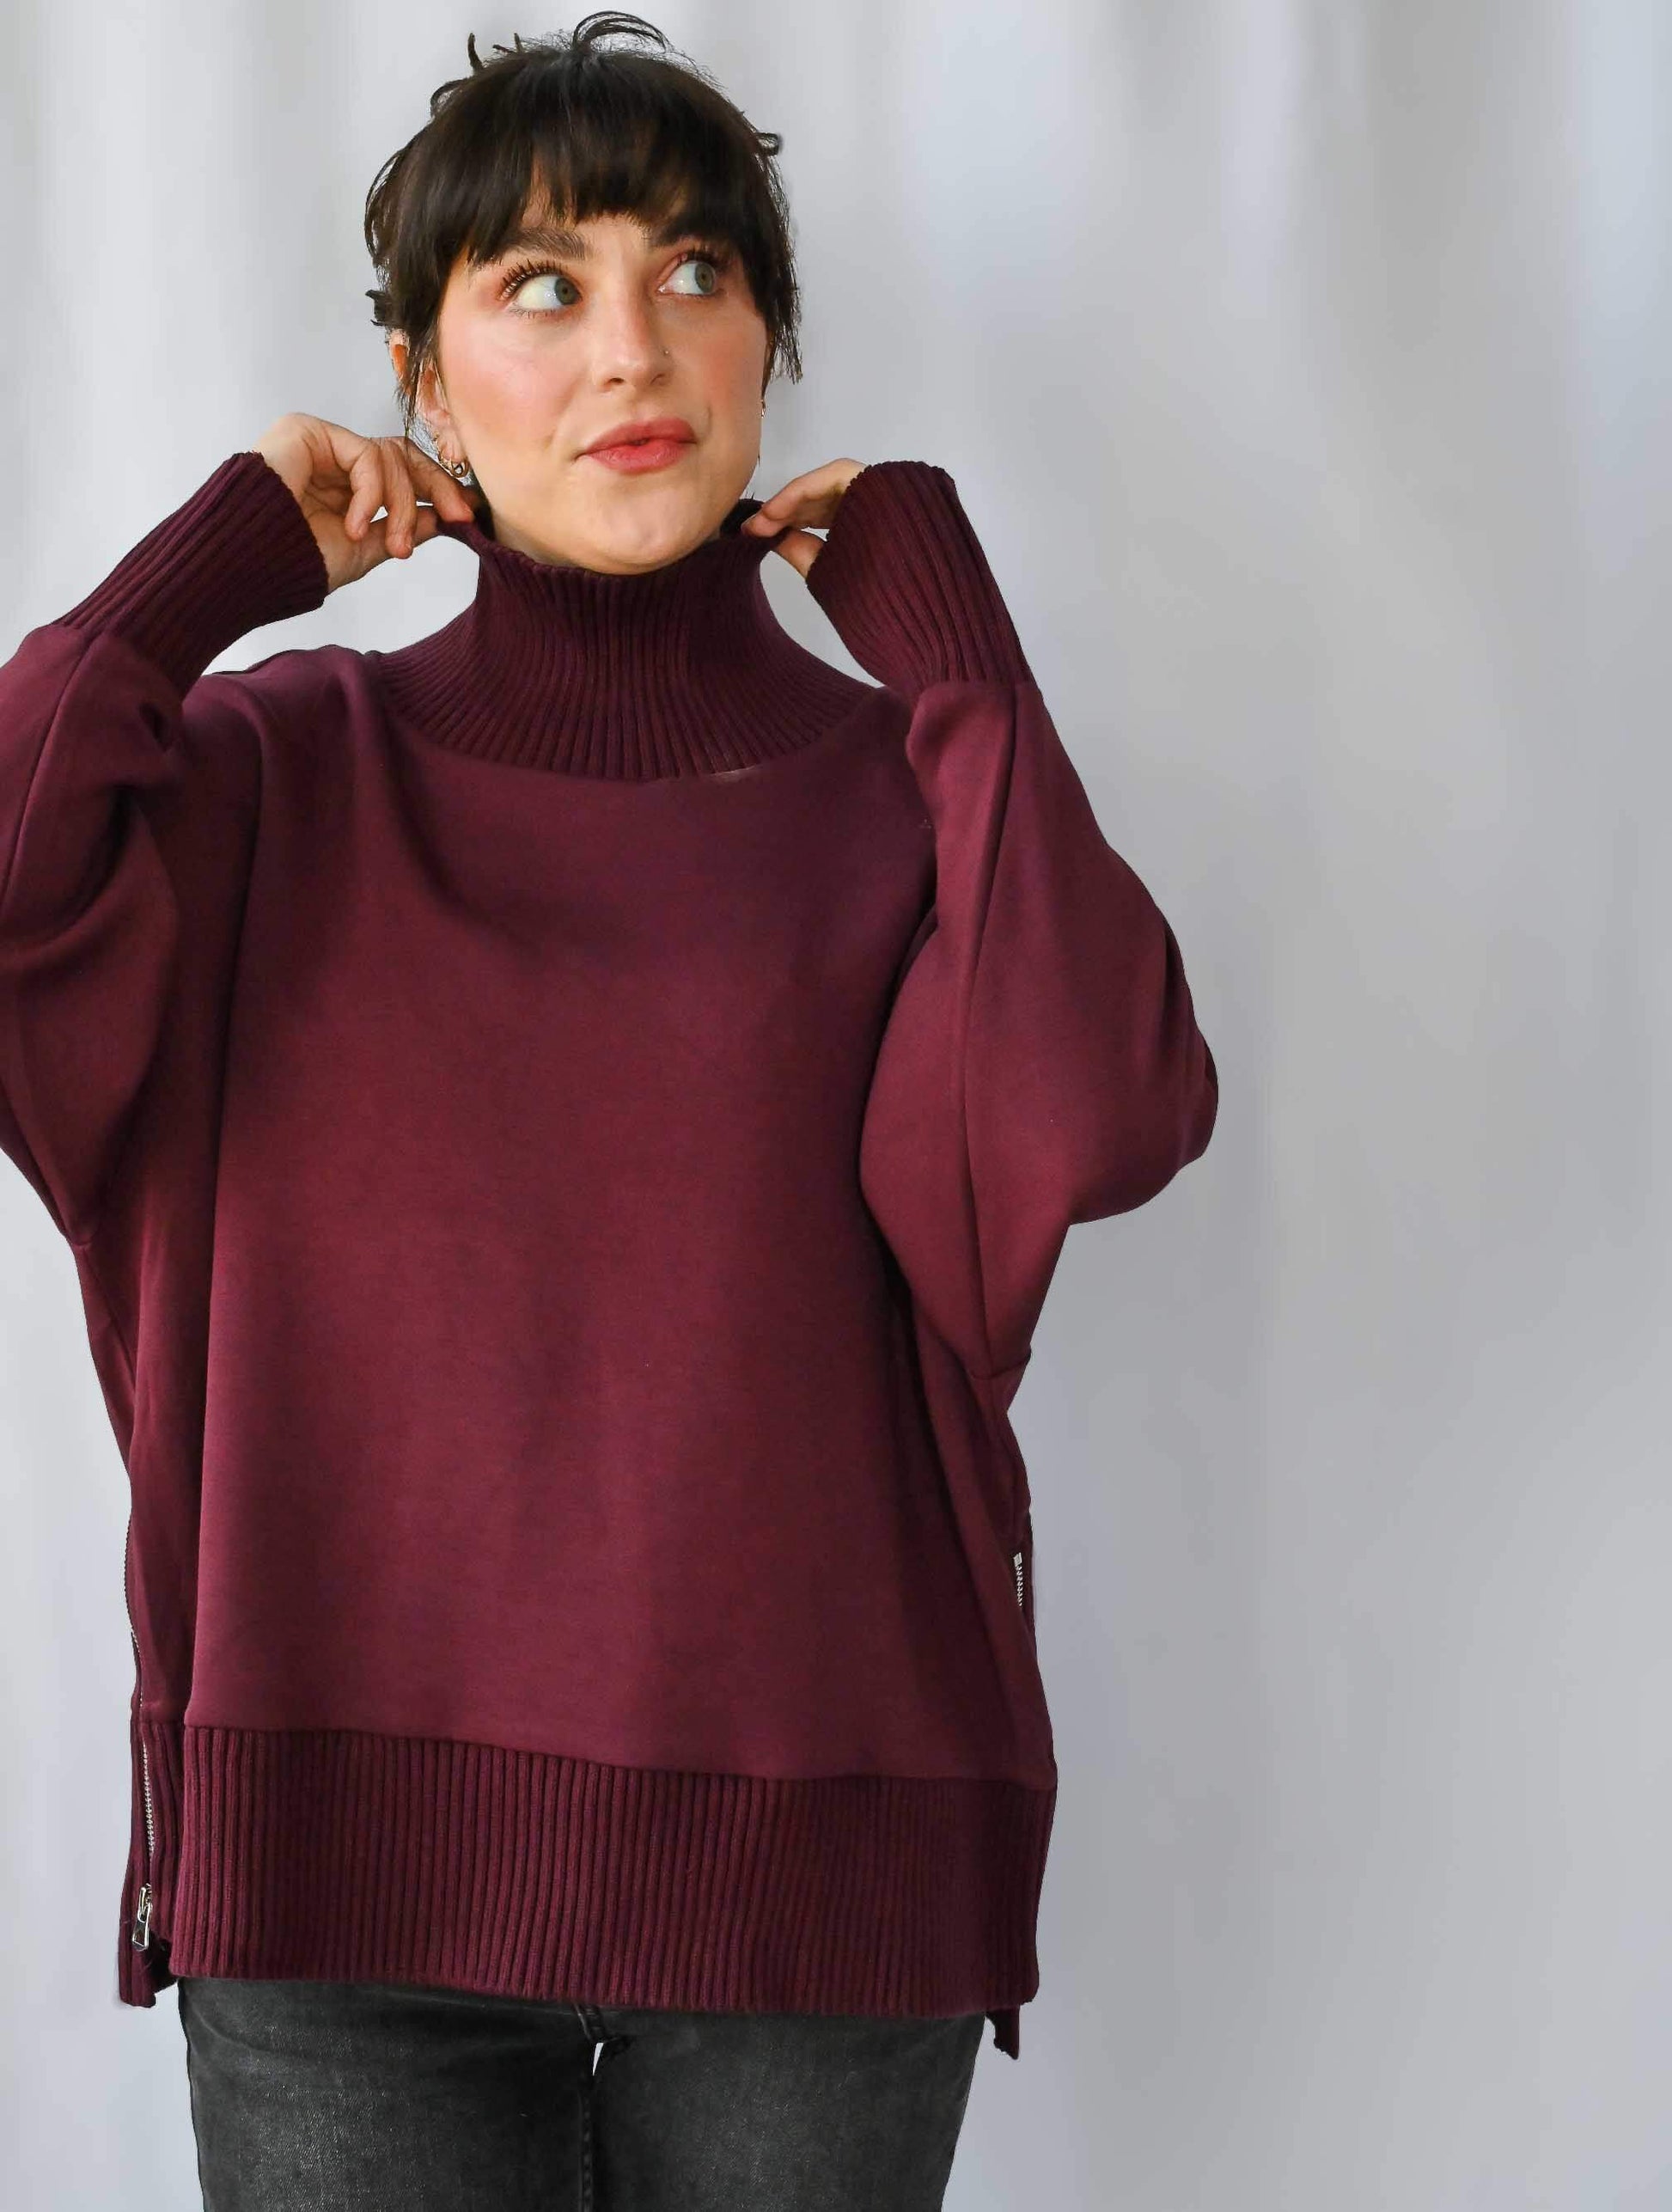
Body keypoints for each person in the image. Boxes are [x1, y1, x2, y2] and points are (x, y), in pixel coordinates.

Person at [0, 15, 1217, 2209]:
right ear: (422, 378)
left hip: (816, 1893)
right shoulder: (270, 780)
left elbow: (1103, 1093)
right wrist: (204, 573)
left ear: (768, 348)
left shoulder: (903, 805)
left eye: (696, 274)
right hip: (338, 1892)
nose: (632, 346)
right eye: (542, 286)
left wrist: (959, 665)